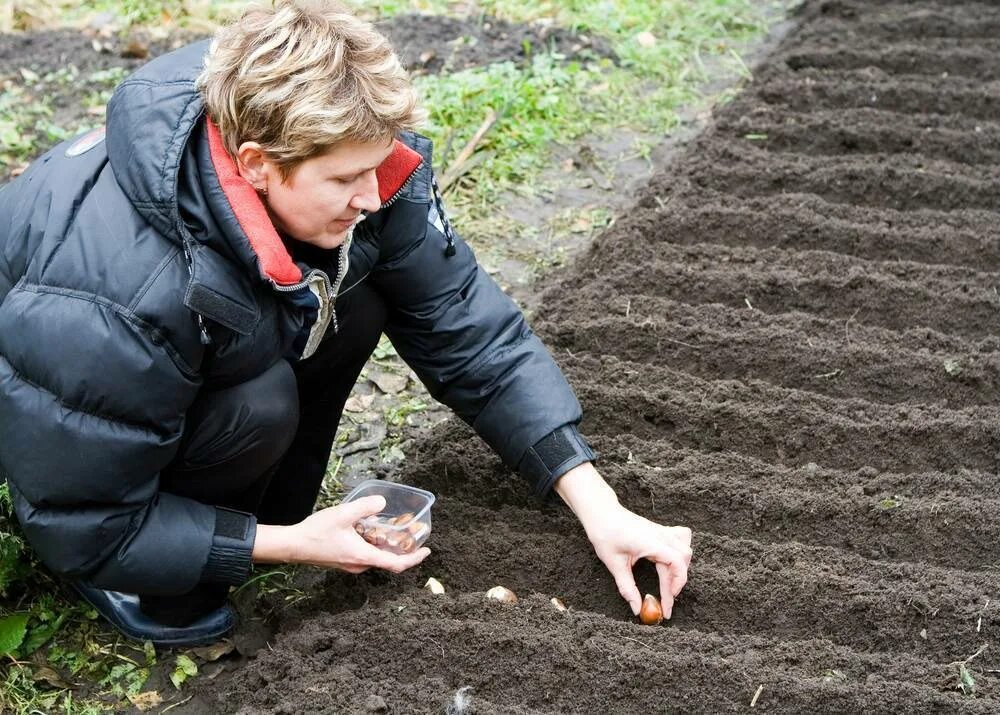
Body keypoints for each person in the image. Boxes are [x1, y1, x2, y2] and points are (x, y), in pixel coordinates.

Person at [0, 0, 691, 646]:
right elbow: (86, 521)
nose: (373, 194)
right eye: (346, 180)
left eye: (379, 166)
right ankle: (141, 586)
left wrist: (602, 509)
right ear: (256, 165)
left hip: (138, 378)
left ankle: (253, 513)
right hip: (68, 450)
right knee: (255, 404)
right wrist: (292, 544)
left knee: (358, 294)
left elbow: (470, 331)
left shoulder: (347, 164)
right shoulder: (115, 292)